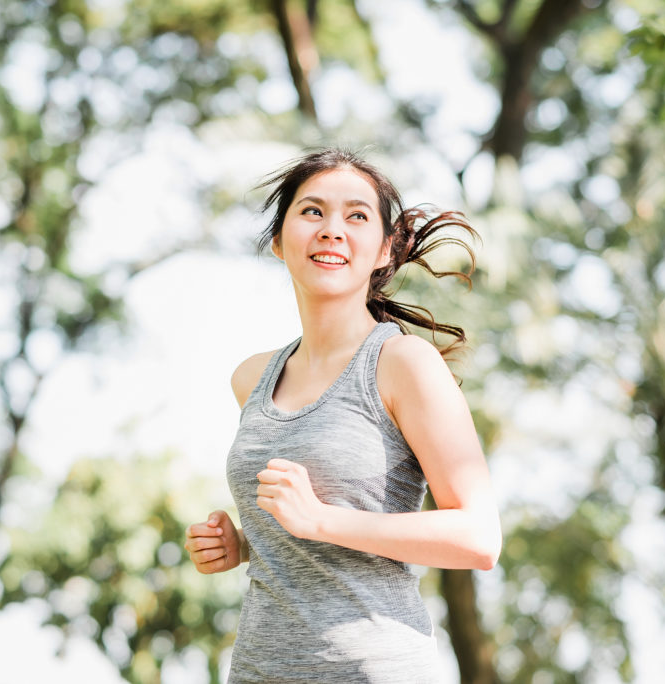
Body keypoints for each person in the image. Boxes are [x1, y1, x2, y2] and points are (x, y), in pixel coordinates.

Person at [183, 148, 501, 683]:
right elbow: (300, 529)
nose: (332, 230)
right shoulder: (252, 378)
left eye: (357, 216)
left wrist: (321, 520)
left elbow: (479, 537)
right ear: (279, 241)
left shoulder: (403, 364)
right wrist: (243, 542)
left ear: (384, 249)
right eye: (312, 212)